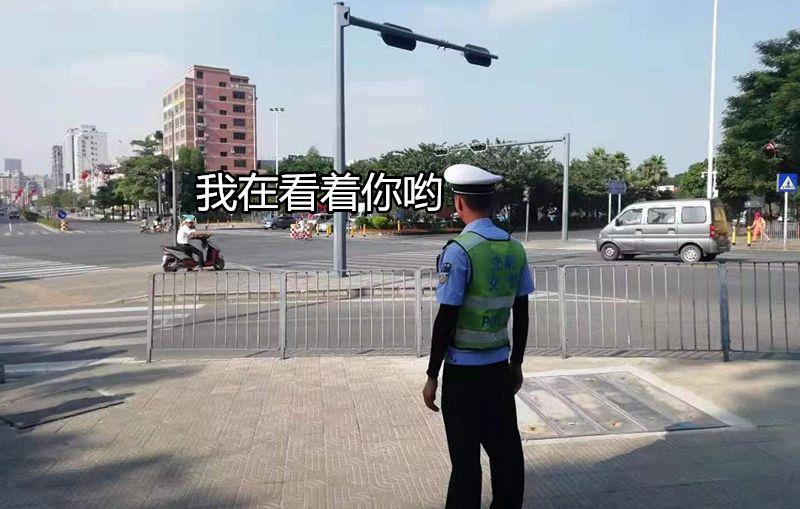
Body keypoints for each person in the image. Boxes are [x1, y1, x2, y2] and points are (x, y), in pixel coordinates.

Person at [422, 163, 534, 508]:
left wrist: (432, 374)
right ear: (491, 203)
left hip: (463, 376)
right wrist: (516, 364)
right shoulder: (515, 248)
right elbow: (522, 312)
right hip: (498, 370)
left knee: (466, 463)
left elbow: (446, 318)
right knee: (507, 456)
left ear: (459, 203)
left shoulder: (460, 250)